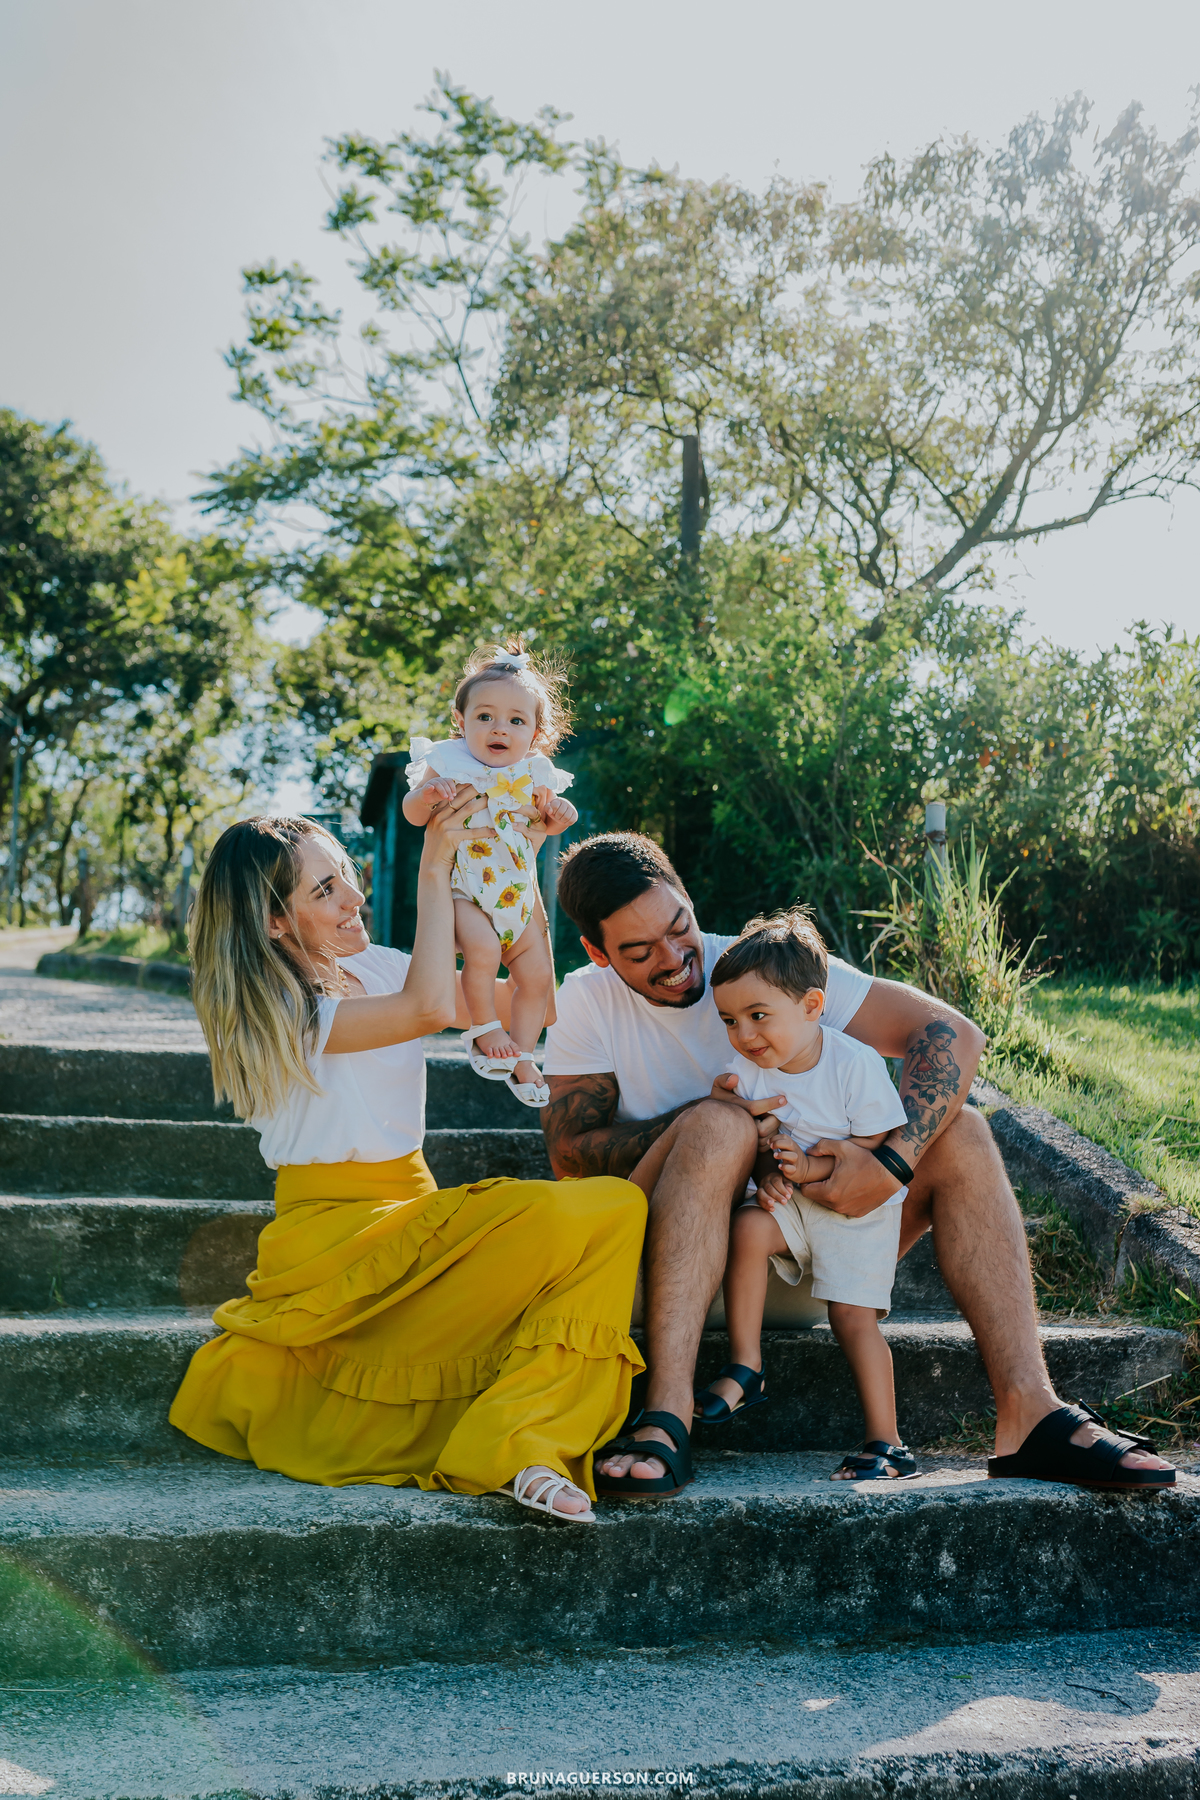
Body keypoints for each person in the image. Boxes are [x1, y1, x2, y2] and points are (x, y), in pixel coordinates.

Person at [539, 831, 1175, 1498]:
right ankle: (667, 1412)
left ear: (689, 902)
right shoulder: (586, 1000)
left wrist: (889, 1163)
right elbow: (569, 1156)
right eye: (640, 953)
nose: (675, 960)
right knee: (718, 1123)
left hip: (805, 1254)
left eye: (679, 928)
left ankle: (1030, 1412)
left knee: (962, 1132)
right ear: (598, 952)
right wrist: (704, 1120)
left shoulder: (762, 970)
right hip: (660, 1279)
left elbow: (951, 1034)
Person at [168, 804, 645, 1524]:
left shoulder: (380, 967)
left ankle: (523, 1440)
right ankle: (520, 1443)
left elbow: (534, 1003)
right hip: (333, 1247)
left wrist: (523, 861)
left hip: (415, 1220)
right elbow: (425, 1009)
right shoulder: (275, 1010)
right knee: (597, 1209)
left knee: (614, 1206)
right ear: (273, 921)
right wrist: (435, 863)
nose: (353, 897)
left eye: (346, 876)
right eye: (324, 890)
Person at [700, 909, 917, 1483]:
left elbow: (873, 1144)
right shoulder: (747, 1070)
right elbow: (751, 1137)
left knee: (852, 1318)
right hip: (795, 1202)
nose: (744, 1035)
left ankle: (887, 1442)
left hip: (856, 1210)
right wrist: (766, 1168)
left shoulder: (853, 1062)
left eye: (758, 1016)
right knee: (748, 1227)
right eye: (729, 1021)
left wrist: (811, 1165)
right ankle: (746, 1365)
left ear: (812, 1006)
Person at [403, 641, 577, 1107]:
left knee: (537, 977)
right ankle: (483, 1028)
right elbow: (413, 814)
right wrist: (427, 795)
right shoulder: (449, 762)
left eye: (516, 721)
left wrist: (561, 813)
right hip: (467, 892)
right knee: (481, 952)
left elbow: (551, 819)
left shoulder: (535, 772)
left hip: (516, 897)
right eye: (485, 716)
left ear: (536, 732)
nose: (500, 728)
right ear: (461, 721)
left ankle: (524, 1054)